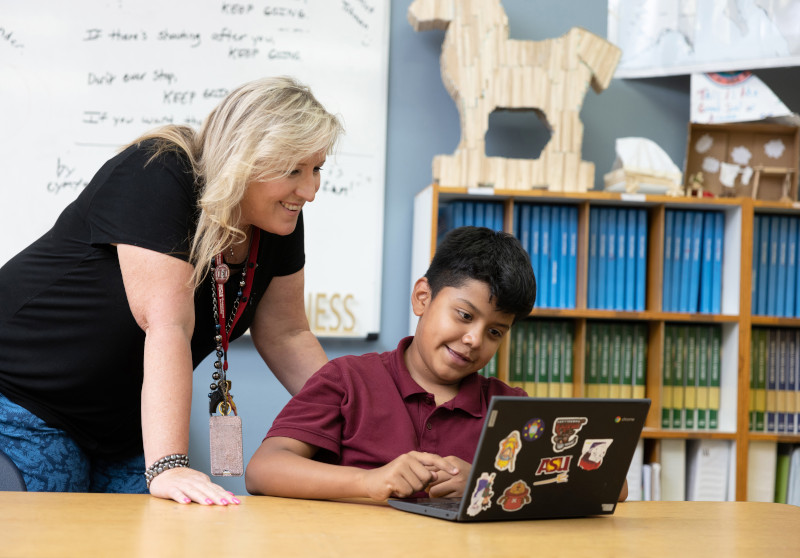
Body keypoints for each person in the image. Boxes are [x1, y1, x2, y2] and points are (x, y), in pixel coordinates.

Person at [0, 76, 344, 505]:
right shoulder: (160, 169)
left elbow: (287, 334)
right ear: (243, 158)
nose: (309, 191)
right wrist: (168, 465)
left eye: (316, 169)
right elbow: (167, 325)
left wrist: (362, 424)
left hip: (121, 430)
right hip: (23, 400)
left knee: (183, 532)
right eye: (293, 170)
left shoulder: (275, 216)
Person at [245, 226, 537, 501]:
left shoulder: (509, 406)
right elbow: (263, 470)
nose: (475, 339)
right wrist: (370, 481)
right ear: (422, 297)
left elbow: (553, 490)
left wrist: (484, 483)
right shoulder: (346, 379)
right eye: (464, 315)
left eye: (495, 332)